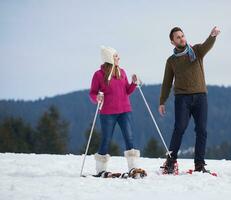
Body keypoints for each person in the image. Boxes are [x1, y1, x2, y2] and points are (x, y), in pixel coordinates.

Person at [159, 26, 220, 174]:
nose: (182, 38)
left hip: (200, 97)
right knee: (179, 128)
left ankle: (199, 165)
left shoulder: (197, 51)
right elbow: (167, 82)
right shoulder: (171, 61)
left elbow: (207, 46)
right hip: (182, 99)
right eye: (178, 37)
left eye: (182, 35)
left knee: (202, 130)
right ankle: (170, 162)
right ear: (172, 42)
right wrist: (162, 101)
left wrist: (212, 36)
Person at [89, 46, 146, 178]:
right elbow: (92, 93)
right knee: (106, 139)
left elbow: (127, 91)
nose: (118, 58)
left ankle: (133, 168)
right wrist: (97, 97)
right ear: (109, 58)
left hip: (125, 111)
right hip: (107, 113)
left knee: (129, 138)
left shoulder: (122, 72)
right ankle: (100, 169)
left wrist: (133, 83)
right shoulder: (98, 75)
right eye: (115, 56)